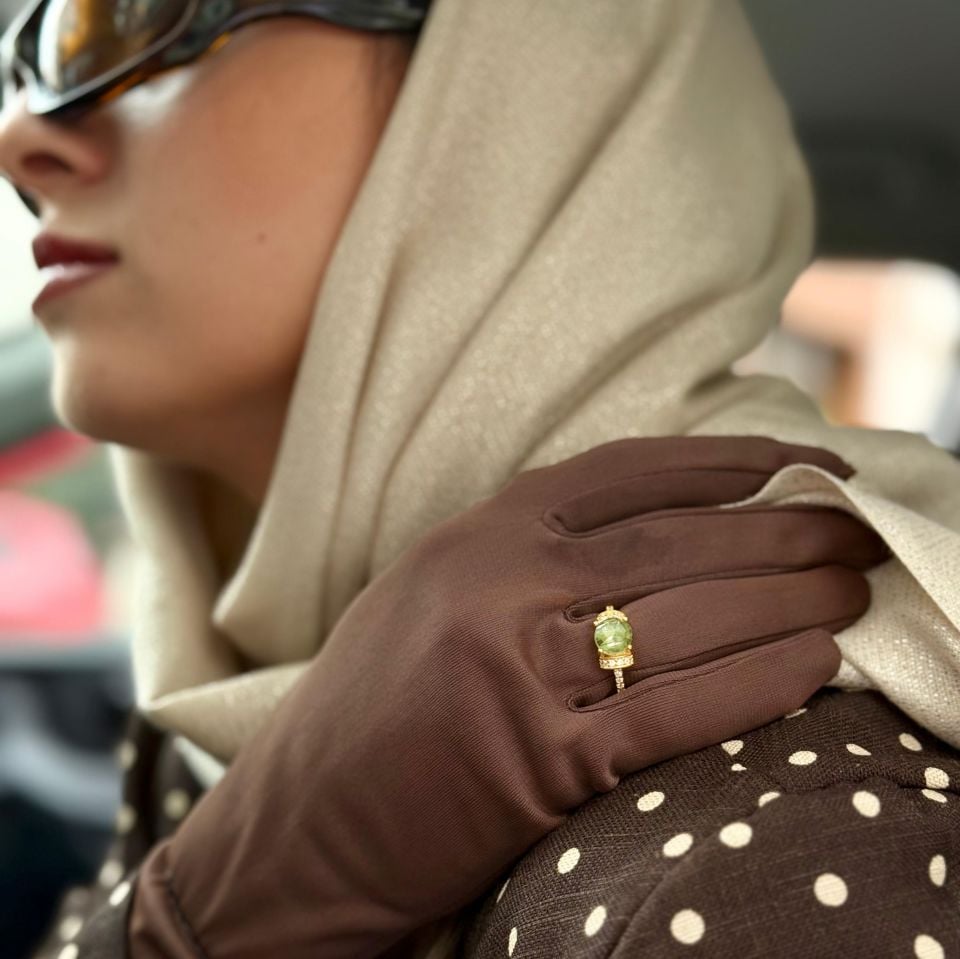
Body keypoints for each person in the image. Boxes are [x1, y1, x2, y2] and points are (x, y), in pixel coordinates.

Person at [1, 0, 959, 956]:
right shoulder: (213, 717)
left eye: (129, 15)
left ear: (514, 92)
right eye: (21, 62)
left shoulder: (766, 846)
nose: (19, 143)